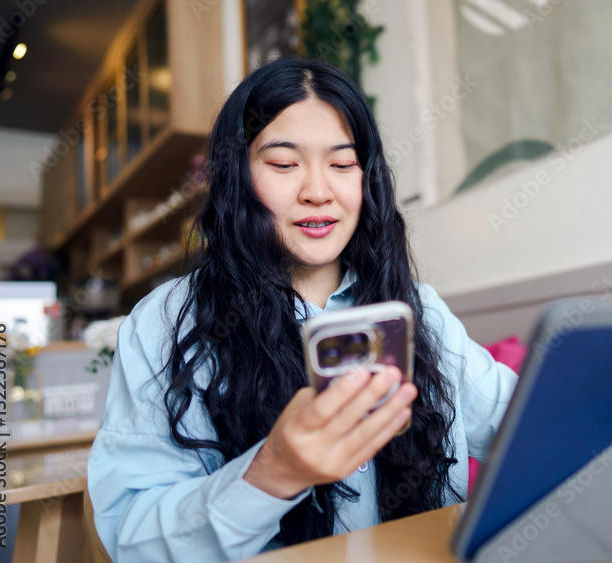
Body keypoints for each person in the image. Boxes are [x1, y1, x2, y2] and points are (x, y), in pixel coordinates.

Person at [86, 58, 518, 562]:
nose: (318, 191)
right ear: (237, 175)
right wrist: (272, 472)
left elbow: (523, 425)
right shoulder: (165, 323)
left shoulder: (420, 312)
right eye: (284, 164)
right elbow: (133, 540)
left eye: (341, 164)